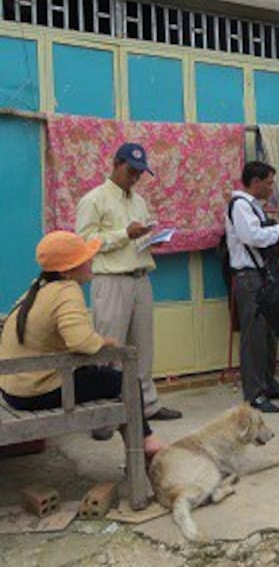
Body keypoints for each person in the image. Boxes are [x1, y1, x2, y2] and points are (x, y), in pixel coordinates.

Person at [0, 231, 164, 457]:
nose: (91, 262)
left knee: (102, 377)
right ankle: (146, 440)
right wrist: (105, 342)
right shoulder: (67, 290)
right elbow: (81, 342)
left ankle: (138, 439)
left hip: (12, 390)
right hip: (36, 393)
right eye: (84, 259)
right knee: (128, 381)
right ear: (67, 271)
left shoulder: (39, 287)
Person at [76, 143, 180, 422]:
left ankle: (147, 406)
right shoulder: (93, 200)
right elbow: (85, 243)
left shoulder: (139, 201)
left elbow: (136, 239)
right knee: (109, 348)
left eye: (140, 173)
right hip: (111, 280)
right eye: (131, 171)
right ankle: (104, 415)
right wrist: (125, 234)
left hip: (140, 276)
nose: (135, 178)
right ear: (116, 164)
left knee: (142, 347)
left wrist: (151, 239)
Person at [226, 161, 279, 413]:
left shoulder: (253, 206)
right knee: (253, 337)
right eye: (268, 183)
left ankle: (269, 384)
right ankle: (254, 394)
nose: (271, 188)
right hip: (248, 277)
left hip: (261, 276)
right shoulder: (241, 206)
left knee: (268, 333)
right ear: (255, 182)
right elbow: (253, 237)